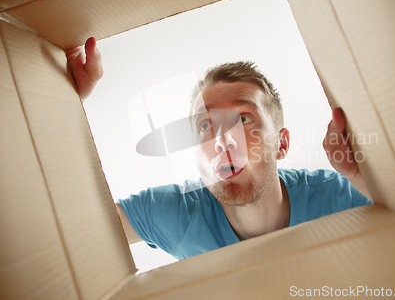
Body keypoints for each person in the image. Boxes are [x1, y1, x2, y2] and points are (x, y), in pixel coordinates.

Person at [66, 38, 371, 260]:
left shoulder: (337, 195)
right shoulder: (177, 214)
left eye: (243, 119)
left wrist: (364, 178)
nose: (224, 141)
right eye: (204, 127)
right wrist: (63, 98)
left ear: (282, 143)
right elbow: (69, 235)